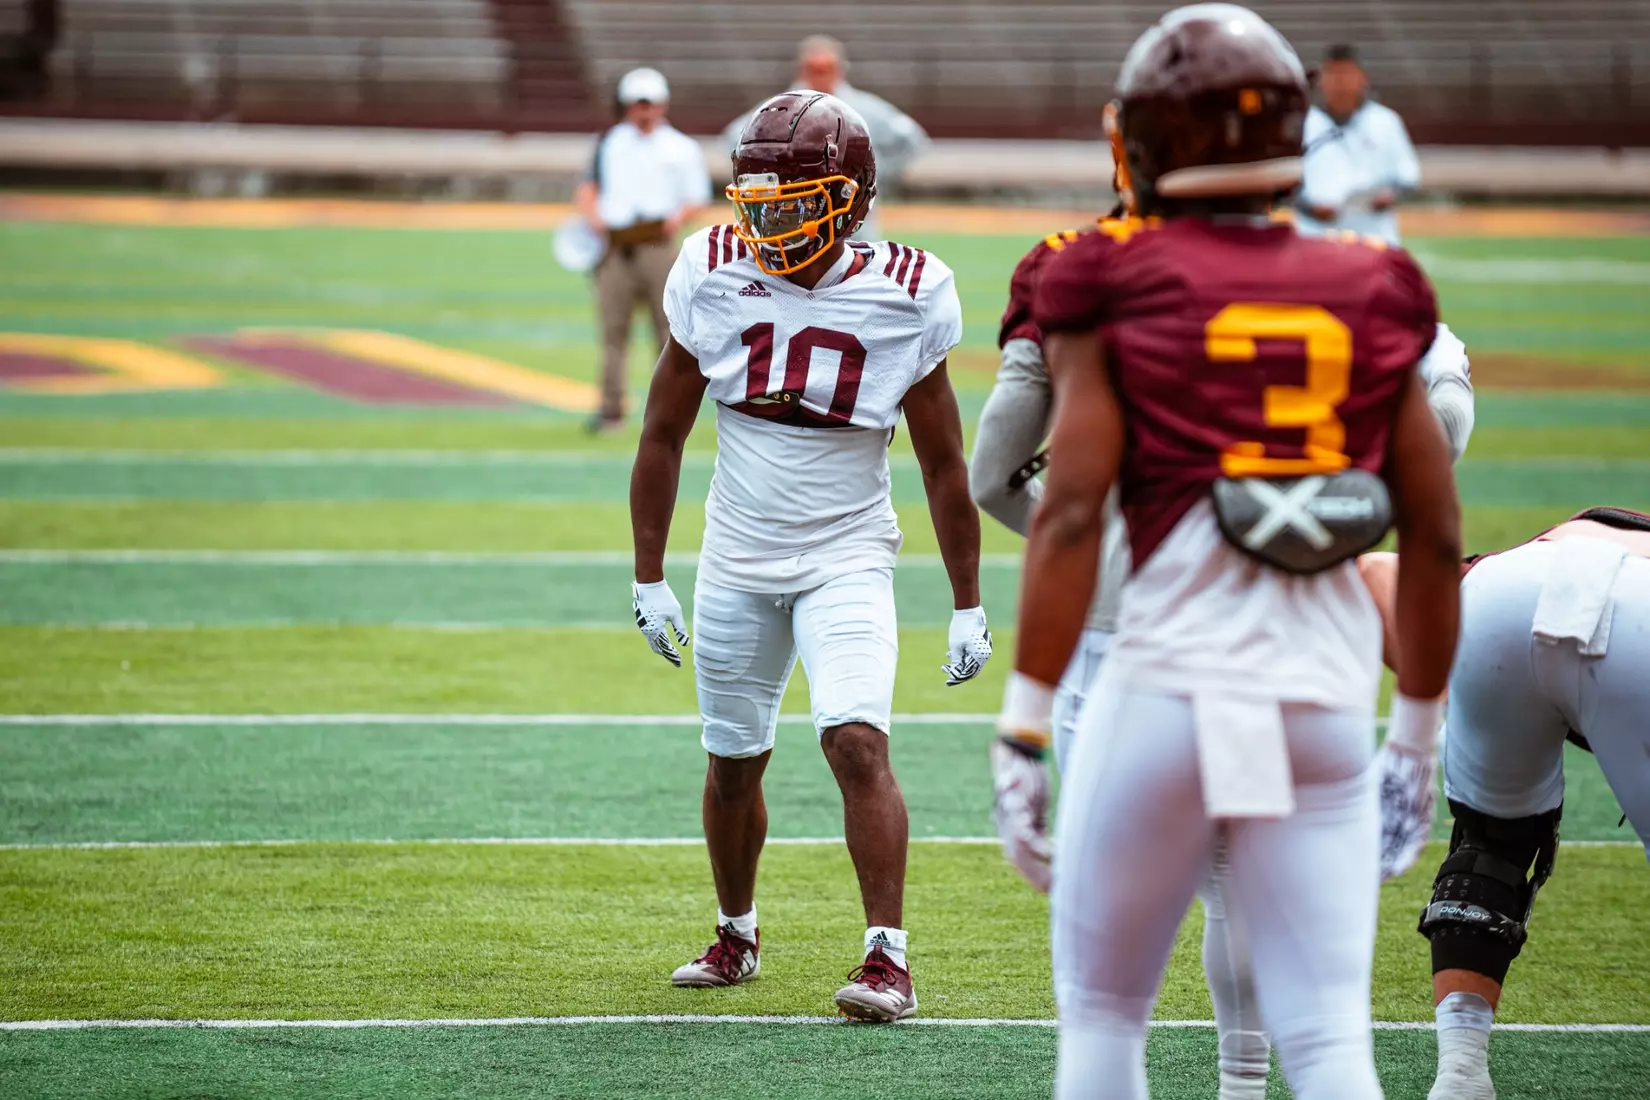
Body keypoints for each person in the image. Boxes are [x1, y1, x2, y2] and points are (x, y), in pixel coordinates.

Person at [991, 7, 1463, 1098]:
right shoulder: (1375, 282)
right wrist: (1418, 738)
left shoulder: (1101, 272)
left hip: (1166, 684)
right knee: (1333, 1041)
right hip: (1319, 704)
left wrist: (1022, 722)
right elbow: (1433, 532)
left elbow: (1066, 512)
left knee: (1105, 1019)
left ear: (1147, 142)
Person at [628, 91, 991, 1022]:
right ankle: (737, 932)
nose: (769, 222)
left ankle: (887, 959)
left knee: (855, 740)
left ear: (852, 197)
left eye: (793, 202)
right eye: (759, 203)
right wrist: (648, 574)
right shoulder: (711, 268)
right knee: (733, 760)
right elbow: (662, 432)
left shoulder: (908, 288)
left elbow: (947, 463)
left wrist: (966, 600)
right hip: (738, 559)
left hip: (847, 554)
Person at [1356, 508, 1650, 1100]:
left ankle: (1461, 1074)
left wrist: (1447, 698)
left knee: (1490, 847)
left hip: (1501, 598)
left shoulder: (1555, 548)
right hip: (1639, 613)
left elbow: (1375, 569)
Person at [575, 67, 712, 432]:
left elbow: (696, 197)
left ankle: (669, 410)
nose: (644, 111)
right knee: (612, 332)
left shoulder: (680, 147)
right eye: (638, 104)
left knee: (670, 334)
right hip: (616, 246)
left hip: (657, 245)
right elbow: (588, 186)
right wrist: (593, 218)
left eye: (649, 104)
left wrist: (675, 218)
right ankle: (610, 409)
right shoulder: (609, 142)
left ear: (663, 105)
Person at [722, 35, 928, 239]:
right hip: (794, 214)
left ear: (839, 70)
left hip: (852, 216)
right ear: (802, 69)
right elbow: (734, 136)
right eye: (814, 70)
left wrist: (877, 174)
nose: (821, 76)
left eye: (826, 69)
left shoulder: (864, 109)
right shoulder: (778, 109)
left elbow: (912, 138)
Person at [1296, 44, 1420, 246]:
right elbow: (1286, 182)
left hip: (1374, 236)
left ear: (1363, 78)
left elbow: (1407, 176)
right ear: (1321, 80)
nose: (1340, 81)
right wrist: (1309, 208)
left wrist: (1387, 197)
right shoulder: (1305, 123)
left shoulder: (1385, 121)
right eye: (1333, 73)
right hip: (1317, 235)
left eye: (1346, 73)